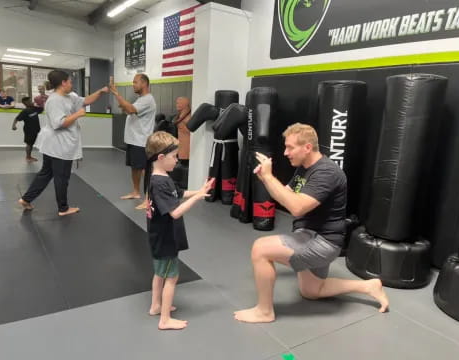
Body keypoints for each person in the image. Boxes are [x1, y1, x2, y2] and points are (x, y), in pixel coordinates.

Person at [234, 123, 389, 324]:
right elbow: (287, 194)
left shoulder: (326, 173)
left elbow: (297, 208)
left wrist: (270, 177)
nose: (285, 152)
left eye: (290, 147)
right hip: (310, 236)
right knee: (311, 291)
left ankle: (264, 311)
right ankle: (369, 286)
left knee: (260, 249)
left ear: (307, 147)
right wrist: (265, 178)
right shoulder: (304, 168)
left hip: (322, 241)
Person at [145, 131, 214, 330]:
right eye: (174, 156)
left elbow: (179, 193)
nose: (177, 160)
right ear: (160, 157)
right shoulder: (159, 183)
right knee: (171, 276)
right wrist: (196, 199)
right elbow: (174, 212)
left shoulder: (160, 177)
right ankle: (165, 319)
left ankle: (156, 306)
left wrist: (199, 191)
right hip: (165, 239)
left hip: (159, 237)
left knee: (159, 273)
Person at [18, 70, 108, 216]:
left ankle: (26, 199)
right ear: (63, 83)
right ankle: (63, 208)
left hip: (57, 145)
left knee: (46, 174)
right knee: (61, 177)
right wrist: (77, 114)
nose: (72, 84)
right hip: (58, 145)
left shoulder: (69, 96)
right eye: (70, 81)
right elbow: (58, 123)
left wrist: (101, 91)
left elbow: (85, 101)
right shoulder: (54, 101)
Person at [109, 74, 156, 209]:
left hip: (141, 141)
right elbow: (130, 111)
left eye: (135, 82)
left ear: (144, 84)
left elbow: (130, 109)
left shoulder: (148, 99)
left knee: (145, 170)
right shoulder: (140, 99)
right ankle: (136, 192)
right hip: (133, 140)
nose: (133, 85)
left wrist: (116, 94)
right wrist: (125, 105)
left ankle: (149, 199)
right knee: (135, 167)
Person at [12, 97, 43, 162]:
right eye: (30, 101)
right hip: (29, 130)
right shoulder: (25, 111)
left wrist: (39, 103)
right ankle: (28, 157)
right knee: (29, 144)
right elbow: (17, 118)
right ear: (26, 103)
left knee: (33, 143)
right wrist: (14, 125)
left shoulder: (34, 108)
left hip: (36, 129)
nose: (31, 102)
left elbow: (42, 109)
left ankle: (30, 156)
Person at [172, 97, 191, 166]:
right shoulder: (180, 115)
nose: (176, 105)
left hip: (186, 147)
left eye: (178, 103)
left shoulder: (188, 116)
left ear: (184, 104)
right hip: (181, 145)